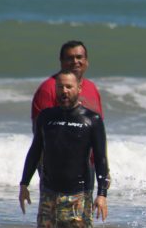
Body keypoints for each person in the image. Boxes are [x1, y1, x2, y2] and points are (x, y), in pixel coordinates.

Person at [19, 70, 109, 228]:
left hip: (79, 195)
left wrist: (102, 194)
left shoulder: (92, 120)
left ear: (79, 88)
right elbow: (35, 151)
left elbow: (101, 158)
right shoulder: (45, 117)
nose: (64, 91)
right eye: (60, 87)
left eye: (69, 86)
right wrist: (24, 184)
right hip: (49, 194)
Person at [31, 39, 109, 190]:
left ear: (87, 61)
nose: (75, 61)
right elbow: (41, 136)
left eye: (79, 57)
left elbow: (98, 135)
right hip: (57, 171)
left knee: (83, 213)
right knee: (56, 213)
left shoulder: (91, 88)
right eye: (70, 58)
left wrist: (105, 172)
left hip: (88, 167)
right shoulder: (49, 89)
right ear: (61, 61)